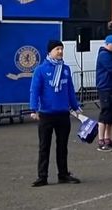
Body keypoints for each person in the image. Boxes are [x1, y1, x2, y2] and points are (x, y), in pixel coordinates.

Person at [30, 40, 81, 187]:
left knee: (62, 146)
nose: (60, 51)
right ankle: (42, 176)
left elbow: (70, 89)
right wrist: (34, 109)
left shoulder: (65, 69)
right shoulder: (40, 70)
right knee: (44, 146)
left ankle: (63, 174)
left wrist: (75, 106)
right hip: (46, 114)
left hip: (63, 114)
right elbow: (35, 90)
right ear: (49, 52)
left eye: (61, 49)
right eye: (57, 49)